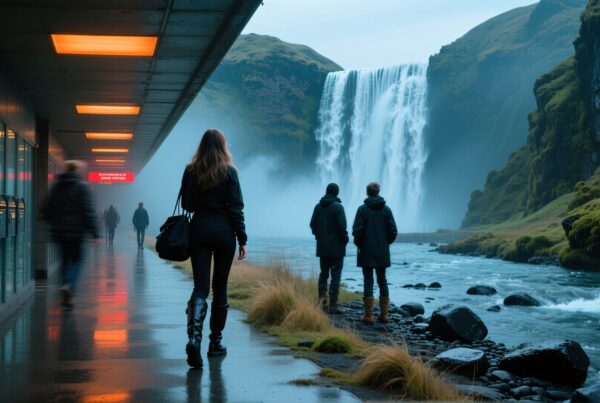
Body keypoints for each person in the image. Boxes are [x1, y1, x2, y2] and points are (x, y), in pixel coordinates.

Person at [179, 128, 247, 369]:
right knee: (220, 287)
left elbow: (186, 203)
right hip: (224, 233)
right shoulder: (230, 172)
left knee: (200, 286)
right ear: (223, 145)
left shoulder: (190, 170)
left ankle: (193, 339)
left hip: (199, 230)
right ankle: (215, 342)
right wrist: (242, 238)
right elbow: (236, 207)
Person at [41, 160, 100, 307]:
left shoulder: (56, 187)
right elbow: (88, 211)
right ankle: (68, 284)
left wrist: (52, 221)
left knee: (64, 261)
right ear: (78, 171)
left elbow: (46, 209)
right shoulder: (82, 187)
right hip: (76, 232)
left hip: (59, 231)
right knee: (78, 260)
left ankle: (68, 296)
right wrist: (95, 233)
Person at [352, 182, 398, 324]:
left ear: (367, 193)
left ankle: (369, 315)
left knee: (368, 280)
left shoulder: (362, 210)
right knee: (382, 279)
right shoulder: (387, 210)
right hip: (382, 250)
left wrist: (360, 244)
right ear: (378, 192)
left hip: (366, 250)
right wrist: (385, 244)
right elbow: (393, 231)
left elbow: (357, 231)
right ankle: (384, 315)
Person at [310, 183, 348, 314]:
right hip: (337, 248)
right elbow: (342, 228)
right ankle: (333, 305)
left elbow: (312, 225)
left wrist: (319, 237)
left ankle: (321, 303)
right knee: (336, 275)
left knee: (323, 274)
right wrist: (345, 240)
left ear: (326, 192)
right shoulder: (338, 207)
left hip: (322, 247)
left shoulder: (318, 207)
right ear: (337, 193)